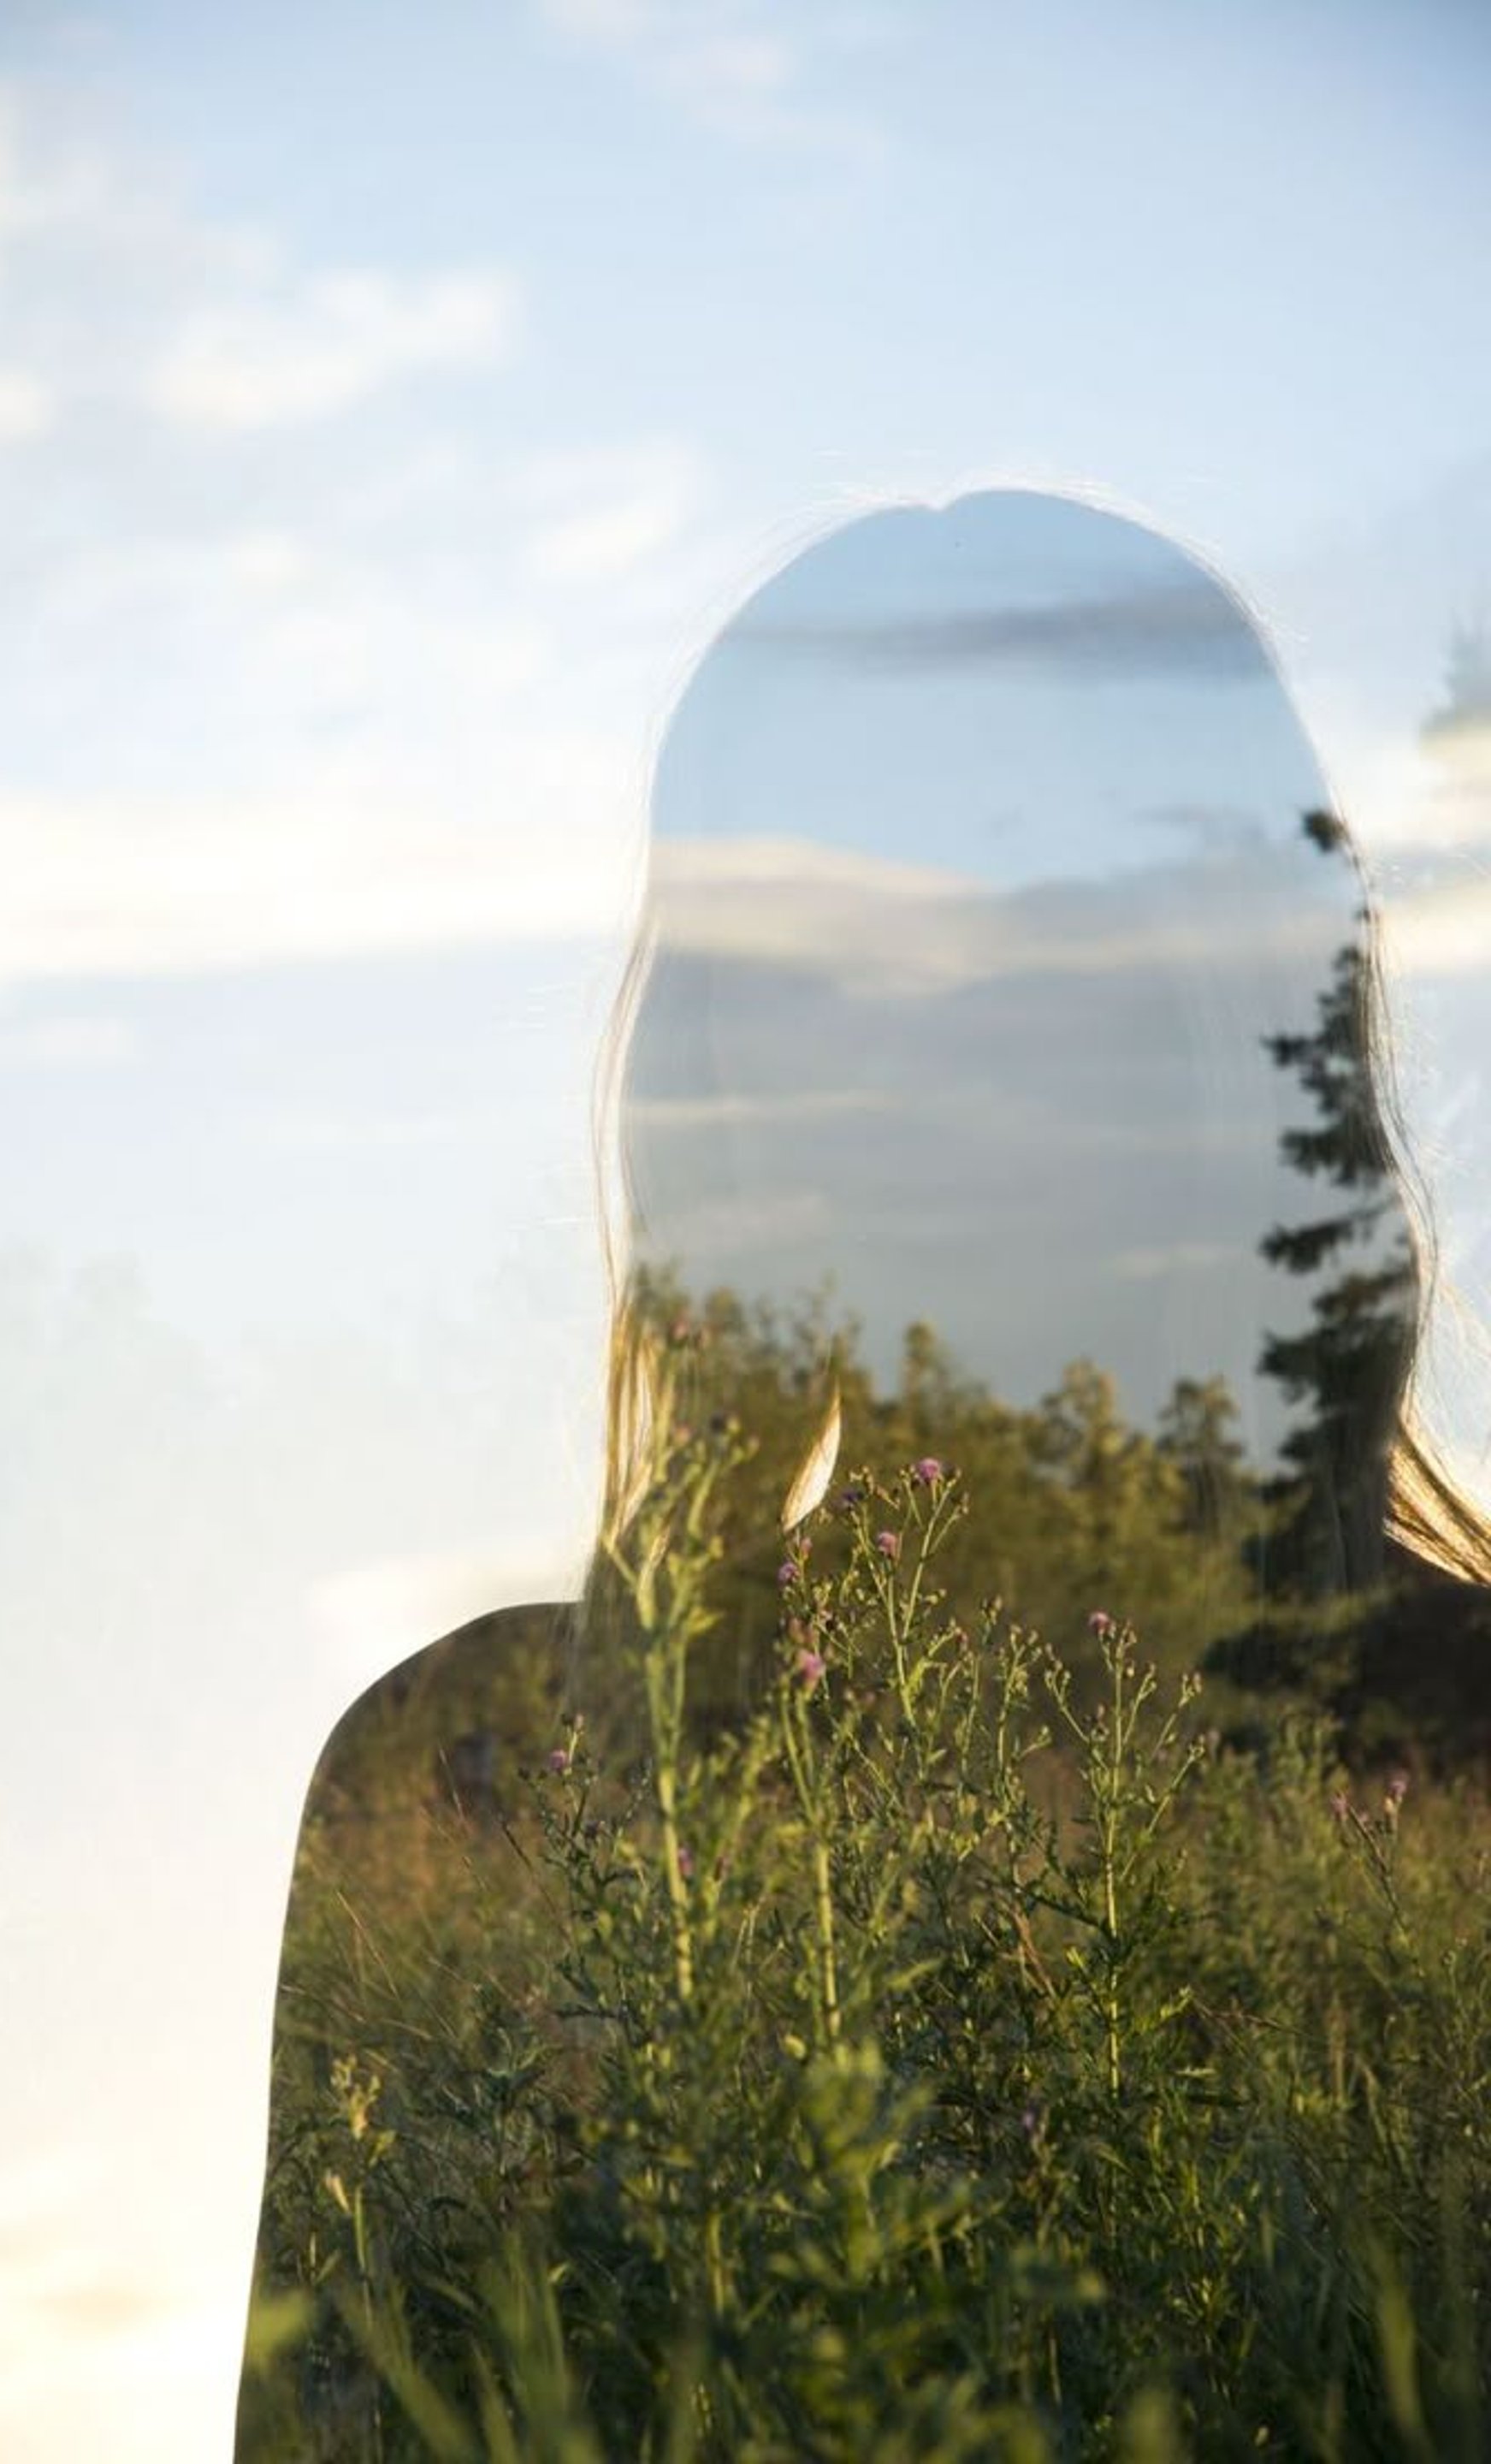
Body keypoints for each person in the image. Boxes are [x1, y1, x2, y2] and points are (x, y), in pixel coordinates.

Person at [232, 488, 1490, 2455]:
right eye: (797, 940)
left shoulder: (1464, 1759)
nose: (891, 1045)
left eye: (1006, 918)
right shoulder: (463, 1791)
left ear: (1222, 995)